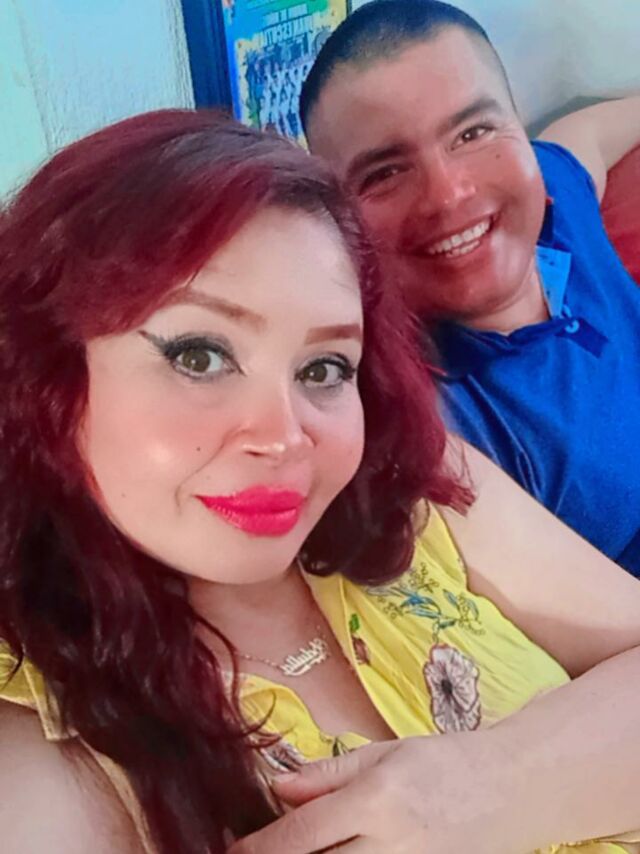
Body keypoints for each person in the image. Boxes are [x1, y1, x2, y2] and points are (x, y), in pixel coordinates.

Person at [2, 110, 640, 854]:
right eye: (200, 356)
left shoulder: (417, 494)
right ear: (46, 375)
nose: (283, 437)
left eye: (323, 369)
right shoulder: (41, 744)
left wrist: (492, 786)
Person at [299, 0, 640, 577]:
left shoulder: (554, 191)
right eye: (385, 172)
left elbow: (586, 135)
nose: (449, 195)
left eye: (472, 132)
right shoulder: (432, 426)